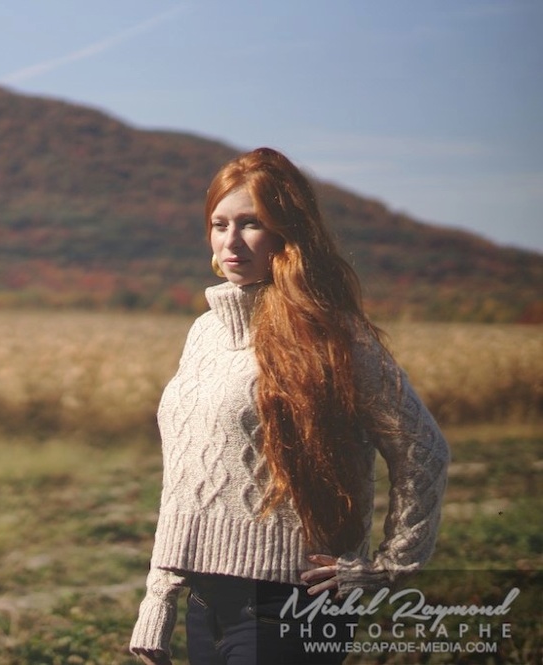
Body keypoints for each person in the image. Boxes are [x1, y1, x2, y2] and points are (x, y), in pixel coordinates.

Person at [129, 147, 450, 664]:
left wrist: (386, 566)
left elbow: (423, 449)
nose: (231, 241)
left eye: (251, 223)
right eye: (219, 224)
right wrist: (159, 597)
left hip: (289, 609)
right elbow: (186, 476)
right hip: (206, 604)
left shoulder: (333, 334)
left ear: (287, 233)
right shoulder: (205, 333)